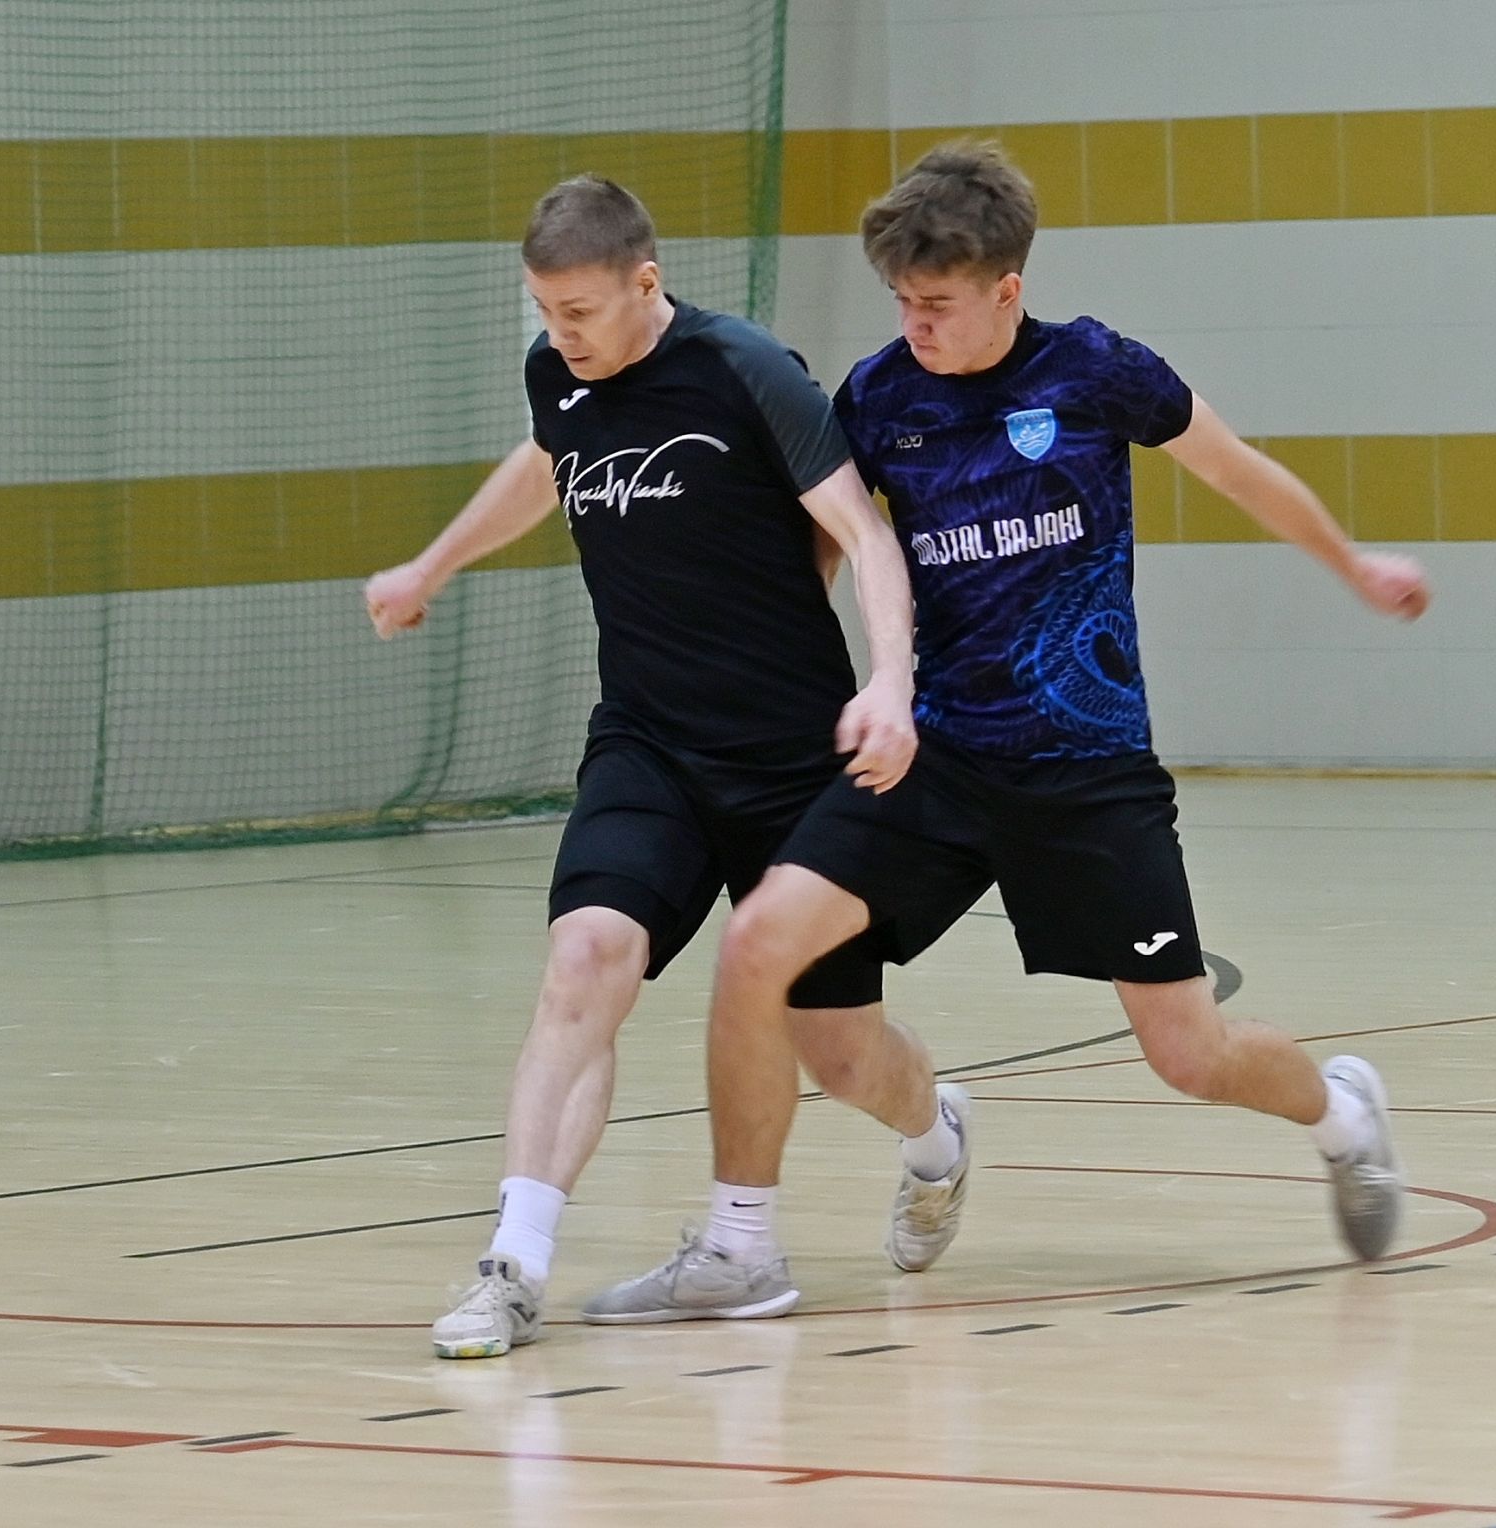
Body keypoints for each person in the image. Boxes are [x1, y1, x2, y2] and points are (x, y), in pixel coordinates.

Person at [585, 141, 1426, 1323]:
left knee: (1188, 1052)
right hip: (935, 760)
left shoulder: (1093, 371)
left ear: (1005, 289)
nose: (914, 324)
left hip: (1086, 772)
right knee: (761, 944)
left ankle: (1339, 1114)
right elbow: (827, 548)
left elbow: (1236, 470)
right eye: (900, 300)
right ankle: (740, 1246)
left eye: (936, 302)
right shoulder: (878, 398)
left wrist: (1351, 563)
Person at [364, 174, 948, 1359]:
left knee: (838, 1052)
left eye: (578, 310)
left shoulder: (746, 371)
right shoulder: (556, 375)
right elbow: (545, 462)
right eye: (541, 310)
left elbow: (863, 532)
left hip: (789, 756)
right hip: (648, 742)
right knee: (586, 958)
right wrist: (432, 565)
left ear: (645, 281)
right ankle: (513, 1265)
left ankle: (937, 1136)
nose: (559, 334)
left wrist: (889, 681)